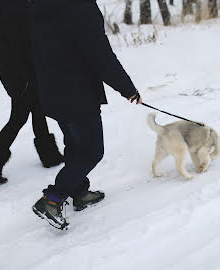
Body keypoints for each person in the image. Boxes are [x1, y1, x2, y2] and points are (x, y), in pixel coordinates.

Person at [29, 0, 142, 229]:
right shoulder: (80, 7)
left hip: (52, 90)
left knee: (75, 144)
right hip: (77, 94)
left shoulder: (39, 6)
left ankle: (79, 192)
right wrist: (127, 88)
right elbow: (100, 55)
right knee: (91, 151)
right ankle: (53, 199)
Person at [0, 0, 64, 186]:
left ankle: (50, 156)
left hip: (18, 72)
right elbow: (20, 45)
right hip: (22, 74)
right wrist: (28, 76)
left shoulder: (2, 8)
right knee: (18, 117)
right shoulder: (12, 8)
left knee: (38, 110)